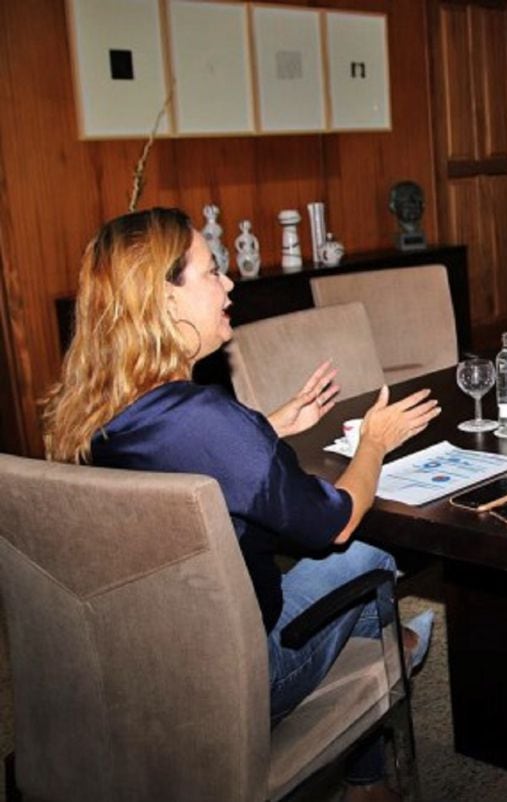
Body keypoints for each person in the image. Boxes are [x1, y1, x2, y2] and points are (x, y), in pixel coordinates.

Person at [41, 207, 440, 802]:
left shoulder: (90, 415)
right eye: (211, 273)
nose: (230, 285)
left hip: (136, 671)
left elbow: (181, 452)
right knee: (370, 556)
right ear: (164, 301)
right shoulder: (208, 419)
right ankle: (386, 686)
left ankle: (380, 684)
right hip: (242, 679)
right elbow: (333, 523)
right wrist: (374, 443)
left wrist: (268, 426)